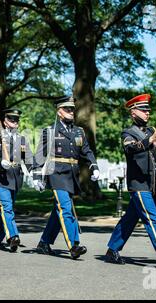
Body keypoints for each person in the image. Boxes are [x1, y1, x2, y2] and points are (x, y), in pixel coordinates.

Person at [104, 93, 156, 270]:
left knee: (129, 219)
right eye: (143, 110)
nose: (147, 113)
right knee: (152, 219)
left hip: (151, 185)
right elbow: (130, 149)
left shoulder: (151, 131)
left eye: (148, 110)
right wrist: (151, 140)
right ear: (133, 112)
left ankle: (112, 250)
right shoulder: (128, 133)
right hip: (138, 184)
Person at [32, 96, 100, 259]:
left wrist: (94, 166)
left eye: (72, 109)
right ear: (59, 112)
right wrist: (36, 175)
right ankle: (74, 245)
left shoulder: (78, 131)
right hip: (56, 173)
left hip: (72, 175)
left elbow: (87, 151)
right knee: (65, 208)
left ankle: (44, 242)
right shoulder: (50, 131)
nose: (71, 112)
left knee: (59, 210)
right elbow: (39, 155)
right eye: (67, 109)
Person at [0, 108, 34, 252]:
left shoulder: (21, 139)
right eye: (11, 120)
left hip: (15, 178)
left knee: (5, 209)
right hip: (0, 179)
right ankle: (13, 237)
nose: (14, 122)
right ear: (5, 121)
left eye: (16, 120)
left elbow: (28, 158)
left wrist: (36, 173)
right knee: (7, 207)